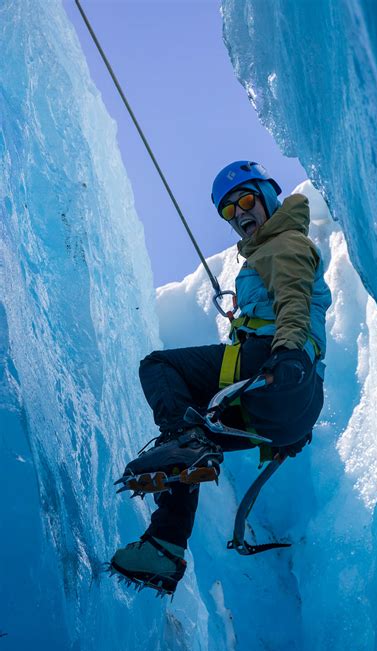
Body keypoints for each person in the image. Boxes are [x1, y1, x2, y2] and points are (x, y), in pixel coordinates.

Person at [109, 161, 332, 595]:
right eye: (229, 211)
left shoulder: (285, 242)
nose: (239, 214)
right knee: (188, 447)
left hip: (273, 366)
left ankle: (185, 452)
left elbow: (294, 302)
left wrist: (287, 357)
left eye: (246, 200)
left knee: (159, 369)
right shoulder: (267, 250)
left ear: (267, 195)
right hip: (289, 402)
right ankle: (164, 546)